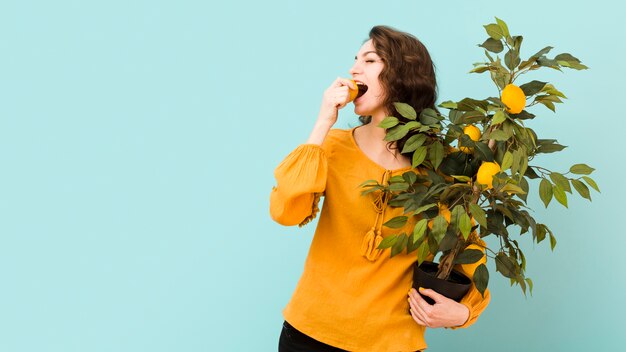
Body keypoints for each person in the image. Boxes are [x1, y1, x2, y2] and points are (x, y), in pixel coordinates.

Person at [270, 25, 490, 352]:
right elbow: (287, 211)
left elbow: (468, 248)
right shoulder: (331, 147)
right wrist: (322, 124)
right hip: (309, 336)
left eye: (370, 60)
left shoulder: (443, 168)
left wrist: (464, 312)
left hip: (394, 343)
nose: (354, 69)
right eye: (355, 60)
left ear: (403, 74)